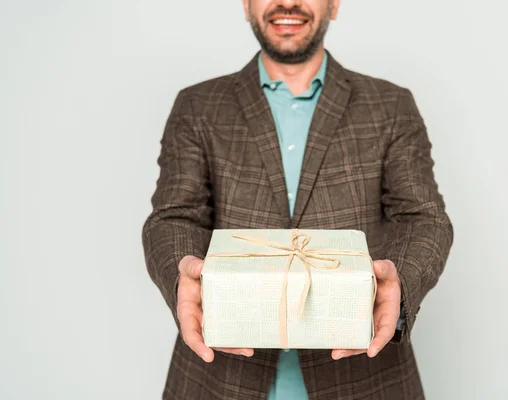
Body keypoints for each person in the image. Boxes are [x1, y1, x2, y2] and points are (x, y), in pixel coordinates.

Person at [142, 0, 453, 398]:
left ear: (334, 5)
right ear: (246, 5)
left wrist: (402, 279)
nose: (287, 3)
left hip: (362, 375)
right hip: (221, 376)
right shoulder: (197, 106)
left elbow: (423, 218)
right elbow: (173, 217)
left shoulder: (390, 105)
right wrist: (179, 271)